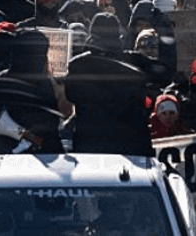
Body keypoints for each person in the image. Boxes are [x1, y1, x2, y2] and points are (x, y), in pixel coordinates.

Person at [65, 13, 152, 156]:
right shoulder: (135, 61)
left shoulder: (78, 65)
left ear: (92, 35)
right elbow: (165, 73)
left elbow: (71, 96)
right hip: (130, 145)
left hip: (91, 144)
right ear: (118, 36)